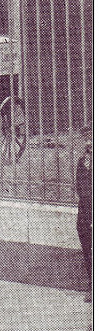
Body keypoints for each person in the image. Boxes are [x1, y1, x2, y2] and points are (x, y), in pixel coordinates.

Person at [75, 126, 92, 302]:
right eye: (87, 139)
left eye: (93, 138)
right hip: (85, 211)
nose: (89, 142)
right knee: (87, 246)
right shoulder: (82, 162)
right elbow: (79, 187)